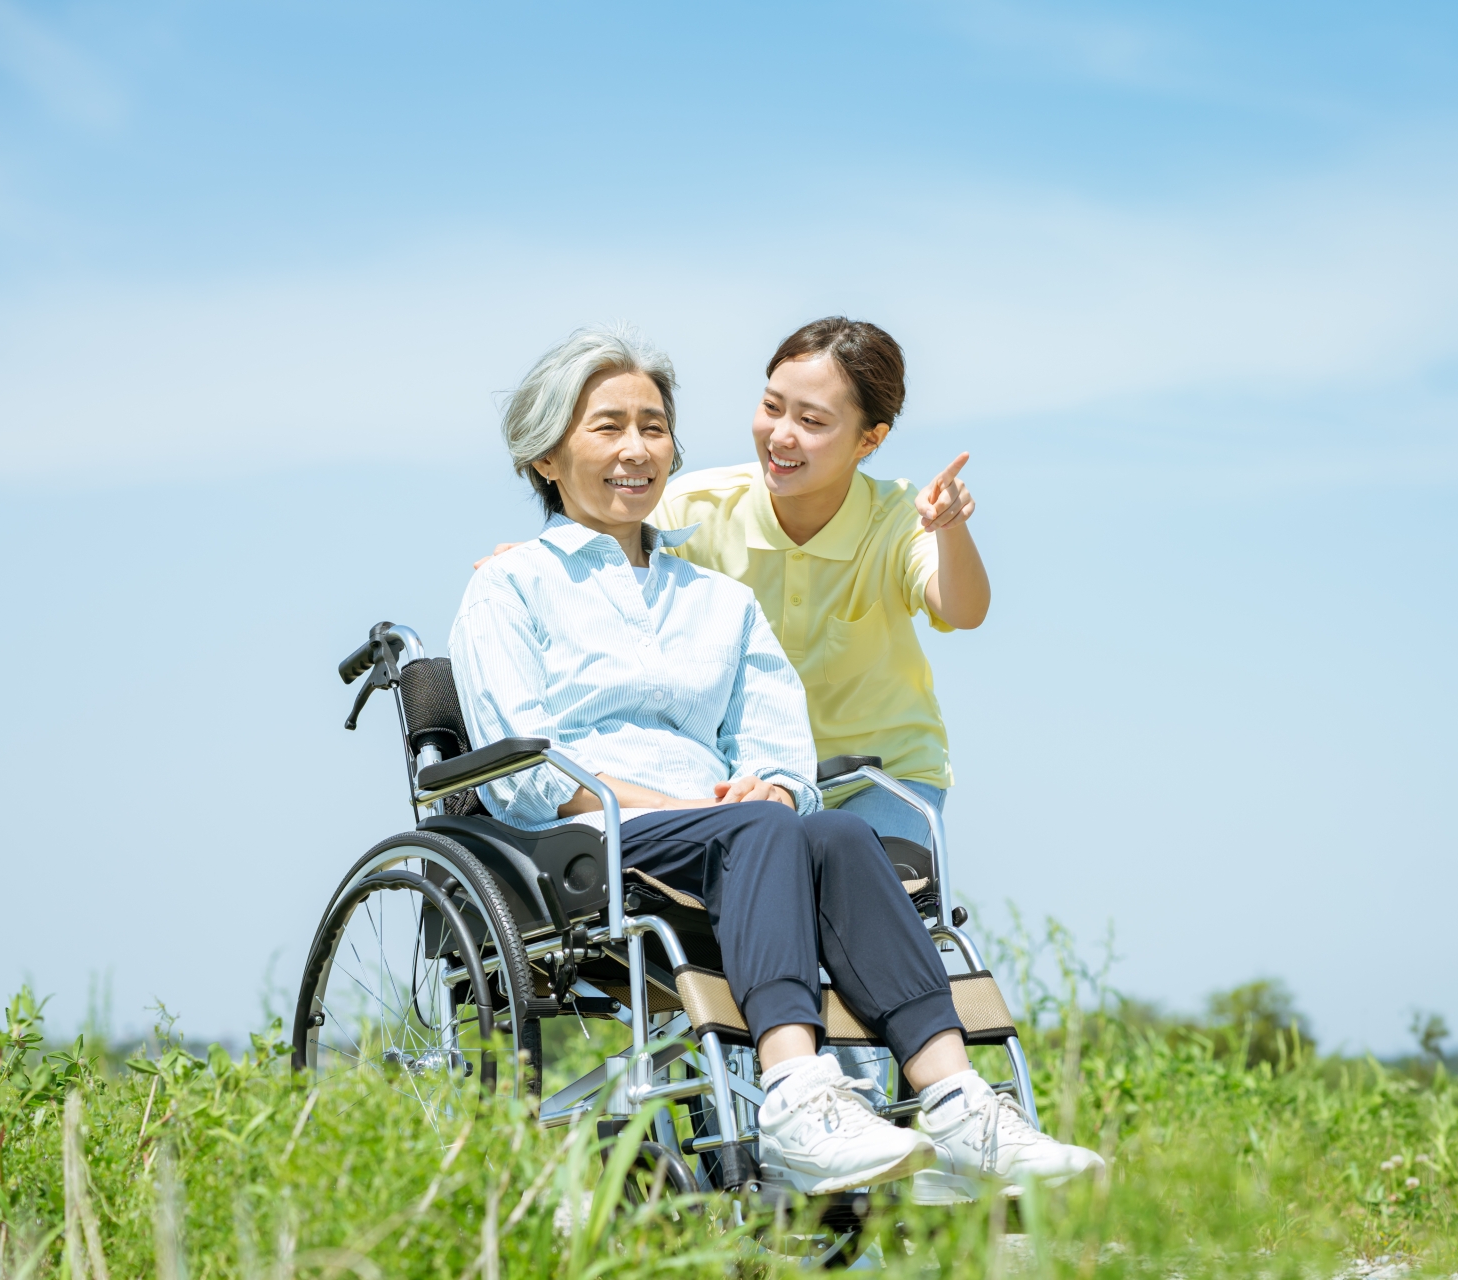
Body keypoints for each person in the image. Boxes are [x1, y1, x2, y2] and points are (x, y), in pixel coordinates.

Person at [450, 325, 1101, 1199]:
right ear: (544, 456)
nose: (637, 449)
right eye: (608, 427)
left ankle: (957, 1103)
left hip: (725, 833)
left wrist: (779, 783)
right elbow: (524, 771)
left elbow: (778, 740)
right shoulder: (510, 586)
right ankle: (796, 1096)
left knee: (836, 834)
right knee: (761, 830)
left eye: (654, 427)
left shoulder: (719, 600)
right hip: (587, 836)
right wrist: (687, 804)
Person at [483, 316, 986, 850]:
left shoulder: (899, 517)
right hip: (744, 775)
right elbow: (609, 536)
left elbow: (963, 609)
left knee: (858, 866)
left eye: (811, 421)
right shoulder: (696, 507)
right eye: (772, 407)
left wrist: (950, 529)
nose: (782, 435)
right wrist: (535, 561)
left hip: (878, 774)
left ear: (869, 439)